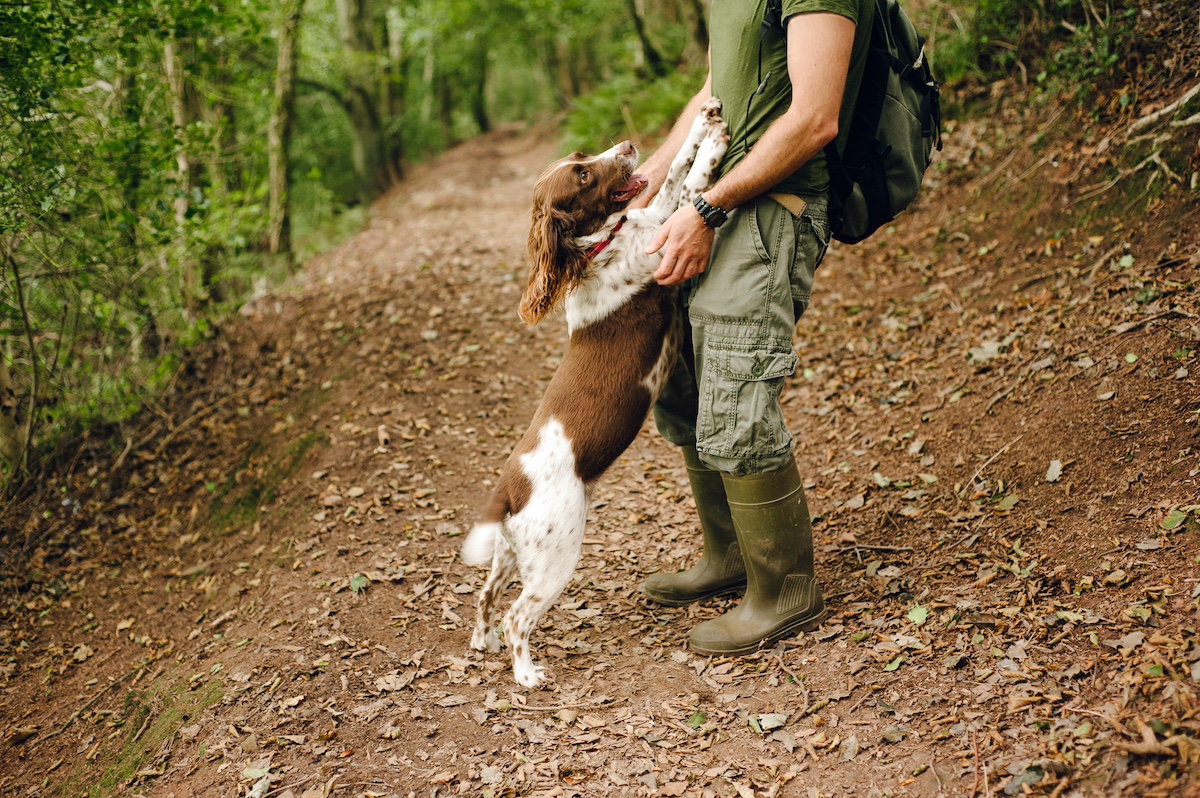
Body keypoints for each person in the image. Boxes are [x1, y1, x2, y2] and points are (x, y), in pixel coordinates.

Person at [630, 0, 873, 654]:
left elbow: (814, 118)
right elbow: (714, 92)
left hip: (770, 209)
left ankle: (784, 590)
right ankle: (730, 554)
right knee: (683, 380)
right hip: (712, 200)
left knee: (736, 386)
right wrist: (651, 179)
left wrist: (707, 210)